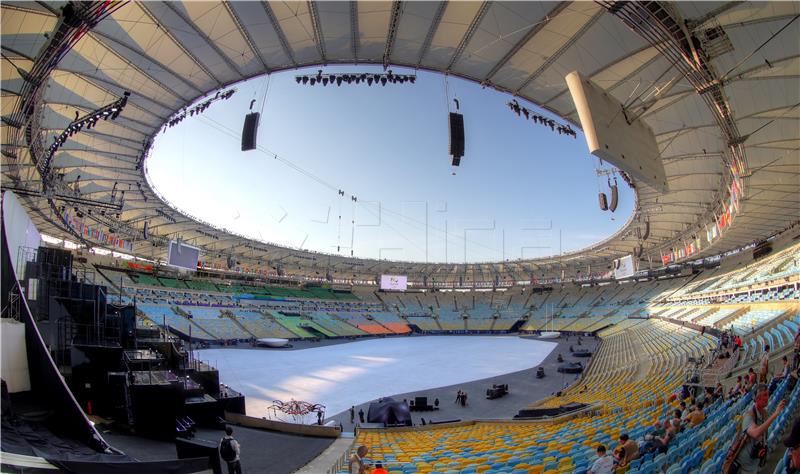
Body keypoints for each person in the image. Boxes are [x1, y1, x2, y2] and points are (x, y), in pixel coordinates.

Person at [735, 384, 786, 473]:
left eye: (767, 394)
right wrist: (775, 414)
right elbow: (755, 433)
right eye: (764, 395)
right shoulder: (748, 416)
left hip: (755, 460)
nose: (767, 397)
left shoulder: (764, 413)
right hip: (745, 464)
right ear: (757, 399)